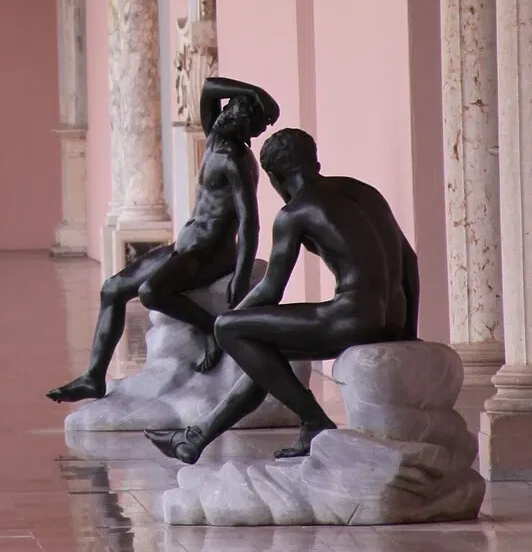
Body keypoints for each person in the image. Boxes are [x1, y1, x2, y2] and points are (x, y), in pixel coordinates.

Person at [147, 126, 420, 465]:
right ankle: (196, 438)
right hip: (391, 320)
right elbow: (409, 260)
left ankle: (314, 420)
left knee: (231, 329)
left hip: (352, 319)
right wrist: (408, 332)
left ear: (274, 177)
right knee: (265, 358)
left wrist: (224, 323)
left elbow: (270, 290)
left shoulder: (294, 214)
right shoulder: (362, 192)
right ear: (314, 161)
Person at [47, 77, 280, 404]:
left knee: (151, 292)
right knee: (112, 289)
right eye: (230, 108)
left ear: (243, 125)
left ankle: (213, 329)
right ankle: (93, 378)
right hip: (187, 246)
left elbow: (250, 222)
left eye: (236, 113)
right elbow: (209, 87)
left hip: (212, 252)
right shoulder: (215, 138)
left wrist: (240, 276)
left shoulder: (235, 159)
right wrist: (253, 91)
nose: (225, 114)